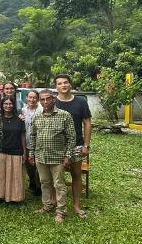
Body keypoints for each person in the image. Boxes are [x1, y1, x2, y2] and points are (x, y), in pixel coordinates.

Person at [28, 90, 75, 224]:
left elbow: (71, 138)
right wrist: (32, 153)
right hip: (41, 156)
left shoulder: (64, 115)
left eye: (48, 99)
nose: (45, 102)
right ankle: (48, 205)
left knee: (59, 185)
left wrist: (68, 156)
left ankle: (61, 211)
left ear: (53, 99)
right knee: (44, 183)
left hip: (57, 158)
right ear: (39, 101)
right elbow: (33, 136)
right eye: (42, 99)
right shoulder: (37, 116)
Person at [54, 74, 92, 218]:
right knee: (57, 176)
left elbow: (87, 123)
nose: (63, 85)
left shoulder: (81, 102)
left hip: (76, 145)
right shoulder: (52, 102)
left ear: (70, 85)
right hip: (56, 146)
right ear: (56, 87)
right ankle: (56, 205)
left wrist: (86, 145)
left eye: (65, 83)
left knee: (76, 175)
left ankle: (76, 205)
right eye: (59, 83)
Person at [0, 96, 26, 205]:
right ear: (2, 105)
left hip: (16, 151)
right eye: (5, 104)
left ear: (13, 106)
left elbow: (23, 136)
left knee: (16, 176)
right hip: (1, 151)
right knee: (1, 176)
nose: (8, 106)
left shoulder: (20, 119)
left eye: (10, 104)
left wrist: (24, 152)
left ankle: (18, 198)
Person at [22, 89, 43, 196]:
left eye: (34, 97)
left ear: (38, 99)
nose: (32, 99)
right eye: (30, 97)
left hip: (39, 142)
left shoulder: (41, 110)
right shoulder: (23, 110)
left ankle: (39, 186)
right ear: (26, 98)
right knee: (29, 165)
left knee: (38, 165)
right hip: (26, 141)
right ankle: (33, 182)